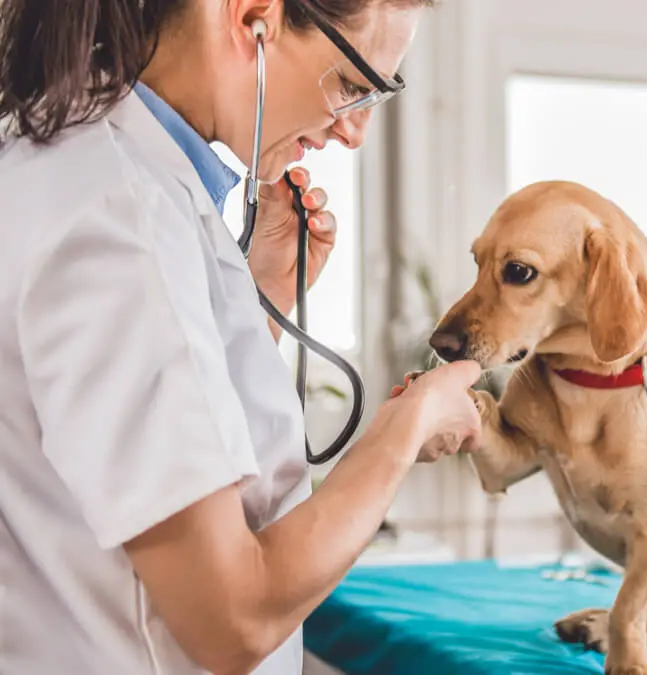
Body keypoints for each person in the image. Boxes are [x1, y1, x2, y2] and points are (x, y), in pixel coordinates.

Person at [0, 1, 483, 673]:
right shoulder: (119, 217)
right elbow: (231, 616)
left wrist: (259, 302)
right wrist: (403, 429)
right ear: (253, 18)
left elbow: (135, 439)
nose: (355, 132)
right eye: (350, 86)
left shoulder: (91, 171)